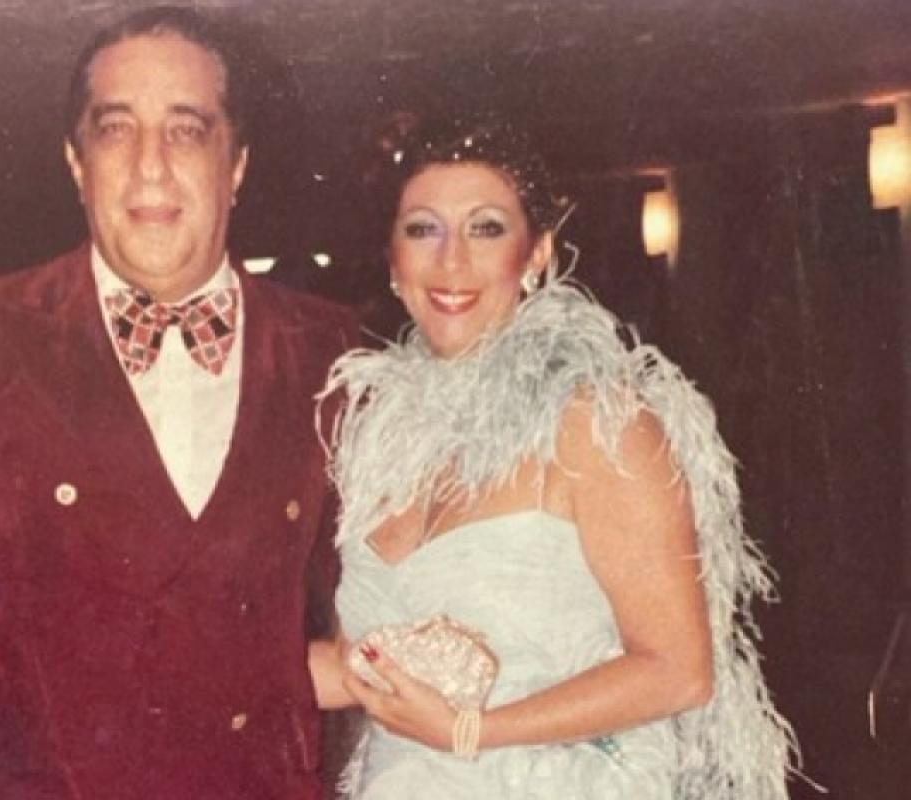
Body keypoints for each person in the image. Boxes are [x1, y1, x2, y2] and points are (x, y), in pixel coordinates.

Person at [0, 6, 357, 799]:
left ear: (236, 165)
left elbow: (376, 601)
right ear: (77, 164)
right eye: (117, 130)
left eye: (186, 130)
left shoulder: (329, 351)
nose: (151, 167)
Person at [310, 117, 795, 797]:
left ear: (536, 253)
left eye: (486, 228)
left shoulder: (598, 421)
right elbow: (352, 666)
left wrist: (473, 731)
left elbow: (678, 671)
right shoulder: (373, 442)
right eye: (423, 230)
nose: (451, 262)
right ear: (393, 260)